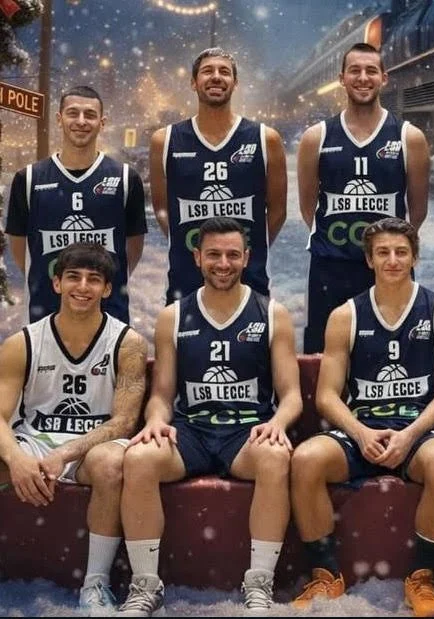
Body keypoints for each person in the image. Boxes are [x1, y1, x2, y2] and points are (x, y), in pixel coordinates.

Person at [117, 217, 301, 616]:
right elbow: (162, 393)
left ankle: (259, 583)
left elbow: (291, 396)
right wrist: (155, 420)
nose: (223, 263)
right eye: (214, 254)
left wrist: (277, 423)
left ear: (247, 258)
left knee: (275, 457)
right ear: (197, 257)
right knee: (139, 459)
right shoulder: (173, 316)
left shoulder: (272, 314)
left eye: (233, 255)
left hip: (246, 432)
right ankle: (145, 585)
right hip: (192, 432)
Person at [289, 218, 434, 616]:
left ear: (415, 257)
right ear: (369, 260)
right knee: (306, 459)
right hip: (362, 428)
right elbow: (327, 395)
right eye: (383, 252)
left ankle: (423, 579)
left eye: (401, 252)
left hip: (419, 428)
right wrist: (360, 433)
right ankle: (325, 576)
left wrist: (410, 435)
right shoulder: (345, 315)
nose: (392, 260)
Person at [0, 243, 147, 613]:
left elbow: (124, 422)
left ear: (107, 289)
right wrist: (17, 459)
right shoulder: (23, 343)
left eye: (93, 279)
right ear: (57, 284)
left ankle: (95, 584)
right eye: (73, 277)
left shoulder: (128, 343)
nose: (82, 287)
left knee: (110, 464)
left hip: (91, 448)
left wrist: (64, 454)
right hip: (34, 441)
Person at [297, 43, 430, 354]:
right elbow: (308, 207)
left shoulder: (409, 137)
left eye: (371, 70)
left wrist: (389, 250)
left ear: (384, 78)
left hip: (389, 269)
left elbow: (417, 211)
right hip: (331, 268)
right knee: (326, 358)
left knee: (389, 356)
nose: (363, 77)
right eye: (354, 70)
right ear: (341, 79)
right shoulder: (316, 137)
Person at [150, 47, 287, 304]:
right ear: (193, 82)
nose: (216, 77)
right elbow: (162, 209)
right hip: (186, 280)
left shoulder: (265, 138)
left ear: (235, 83)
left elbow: (278, 210)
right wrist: (195, 249)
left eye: (224, 72)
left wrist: (245, 249)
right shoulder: (164, 140)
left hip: (249, 279)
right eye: (207, 71)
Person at [5, 86, 147, 324]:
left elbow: (132, 250)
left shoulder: (125, 178)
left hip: (109, 315)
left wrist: (98, 282)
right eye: (73, 113)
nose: (81, 121)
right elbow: (22, 252)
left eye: (90, 115)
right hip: (46, 315)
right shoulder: (28, 179)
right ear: (59, 119)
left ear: (102, 123)